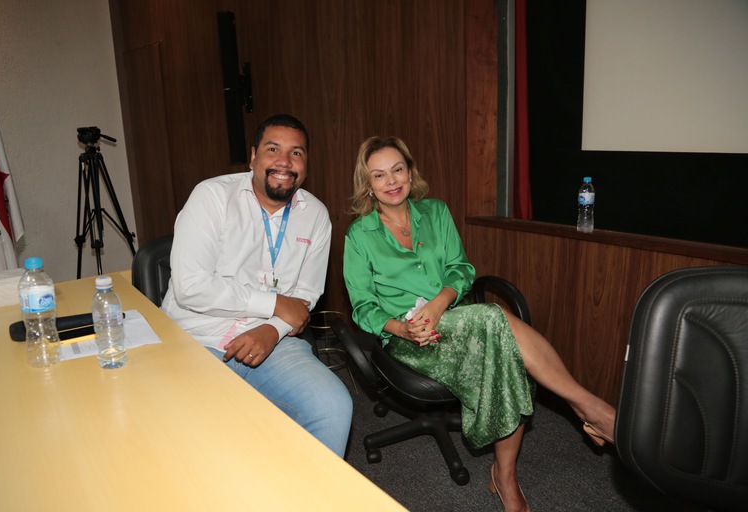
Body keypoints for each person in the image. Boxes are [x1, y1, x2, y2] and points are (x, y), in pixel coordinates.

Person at [342, 135, 616, 511]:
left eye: (398, 170)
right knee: (495, 318)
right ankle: (587, 408)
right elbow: (362, 307)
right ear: (368, 185)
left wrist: (439, 303)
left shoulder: (436, 212)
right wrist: (402, 328)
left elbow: (461, 269)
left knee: (503, 348)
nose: (391, 181)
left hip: (456, 320)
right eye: (379, 175)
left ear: (410, 172)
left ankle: (506, 475)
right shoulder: (359, 235)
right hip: (409, 339)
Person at [161, 114, 352, 457]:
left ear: (306, 164)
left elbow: (305, 296)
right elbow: (191, 287)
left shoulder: (315, 215)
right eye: (273, 149)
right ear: (253, 156)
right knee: (210, 438)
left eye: (296, 153)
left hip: (272, 340)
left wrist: (272, 330)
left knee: (333, 406)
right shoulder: (211, 197)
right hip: (197, 338)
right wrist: (275, 304)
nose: (285, 161)